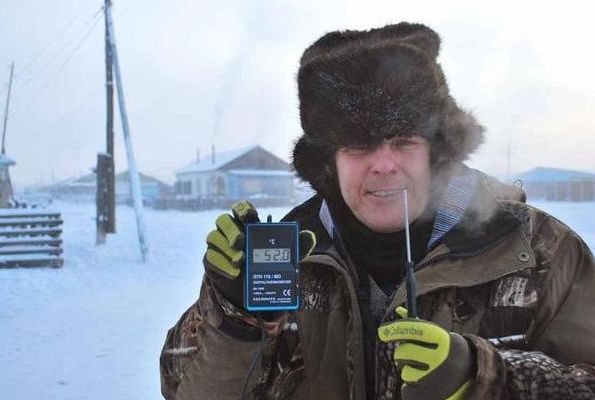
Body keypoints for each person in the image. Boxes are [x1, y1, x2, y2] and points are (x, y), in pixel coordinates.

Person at [160, 22, 595, 400]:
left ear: (437, 153)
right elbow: (185, 391)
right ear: (327, 162)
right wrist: (235, 314)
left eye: (404, 141)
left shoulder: (539, 252)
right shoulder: (286, 256)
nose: (384, 165)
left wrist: (482, 377)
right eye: (359, 145)